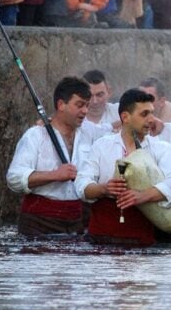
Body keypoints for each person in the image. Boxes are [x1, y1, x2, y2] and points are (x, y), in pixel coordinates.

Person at [75, 89, 171, 245]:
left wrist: (144, 195)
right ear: (125, 117)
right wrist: (104, 189)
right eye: (144, 114)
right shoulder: (102, 146)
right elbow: (82, 183)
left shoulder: (161, 148)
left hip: (141, 237)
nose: (151, 119)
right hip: (100, 238)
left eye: (152, 113)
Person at [6, 77, 107, 235]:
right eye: (79, 105)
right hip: (39, 222)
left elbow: (118, 132)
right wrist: (54, 175)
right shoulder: (35, 135)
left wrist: (156, 123)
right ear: (61, 105)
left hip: (78, 221)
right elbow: (14, 178)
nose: (85, 111)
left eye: (86, 106)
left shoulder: (91, 132)